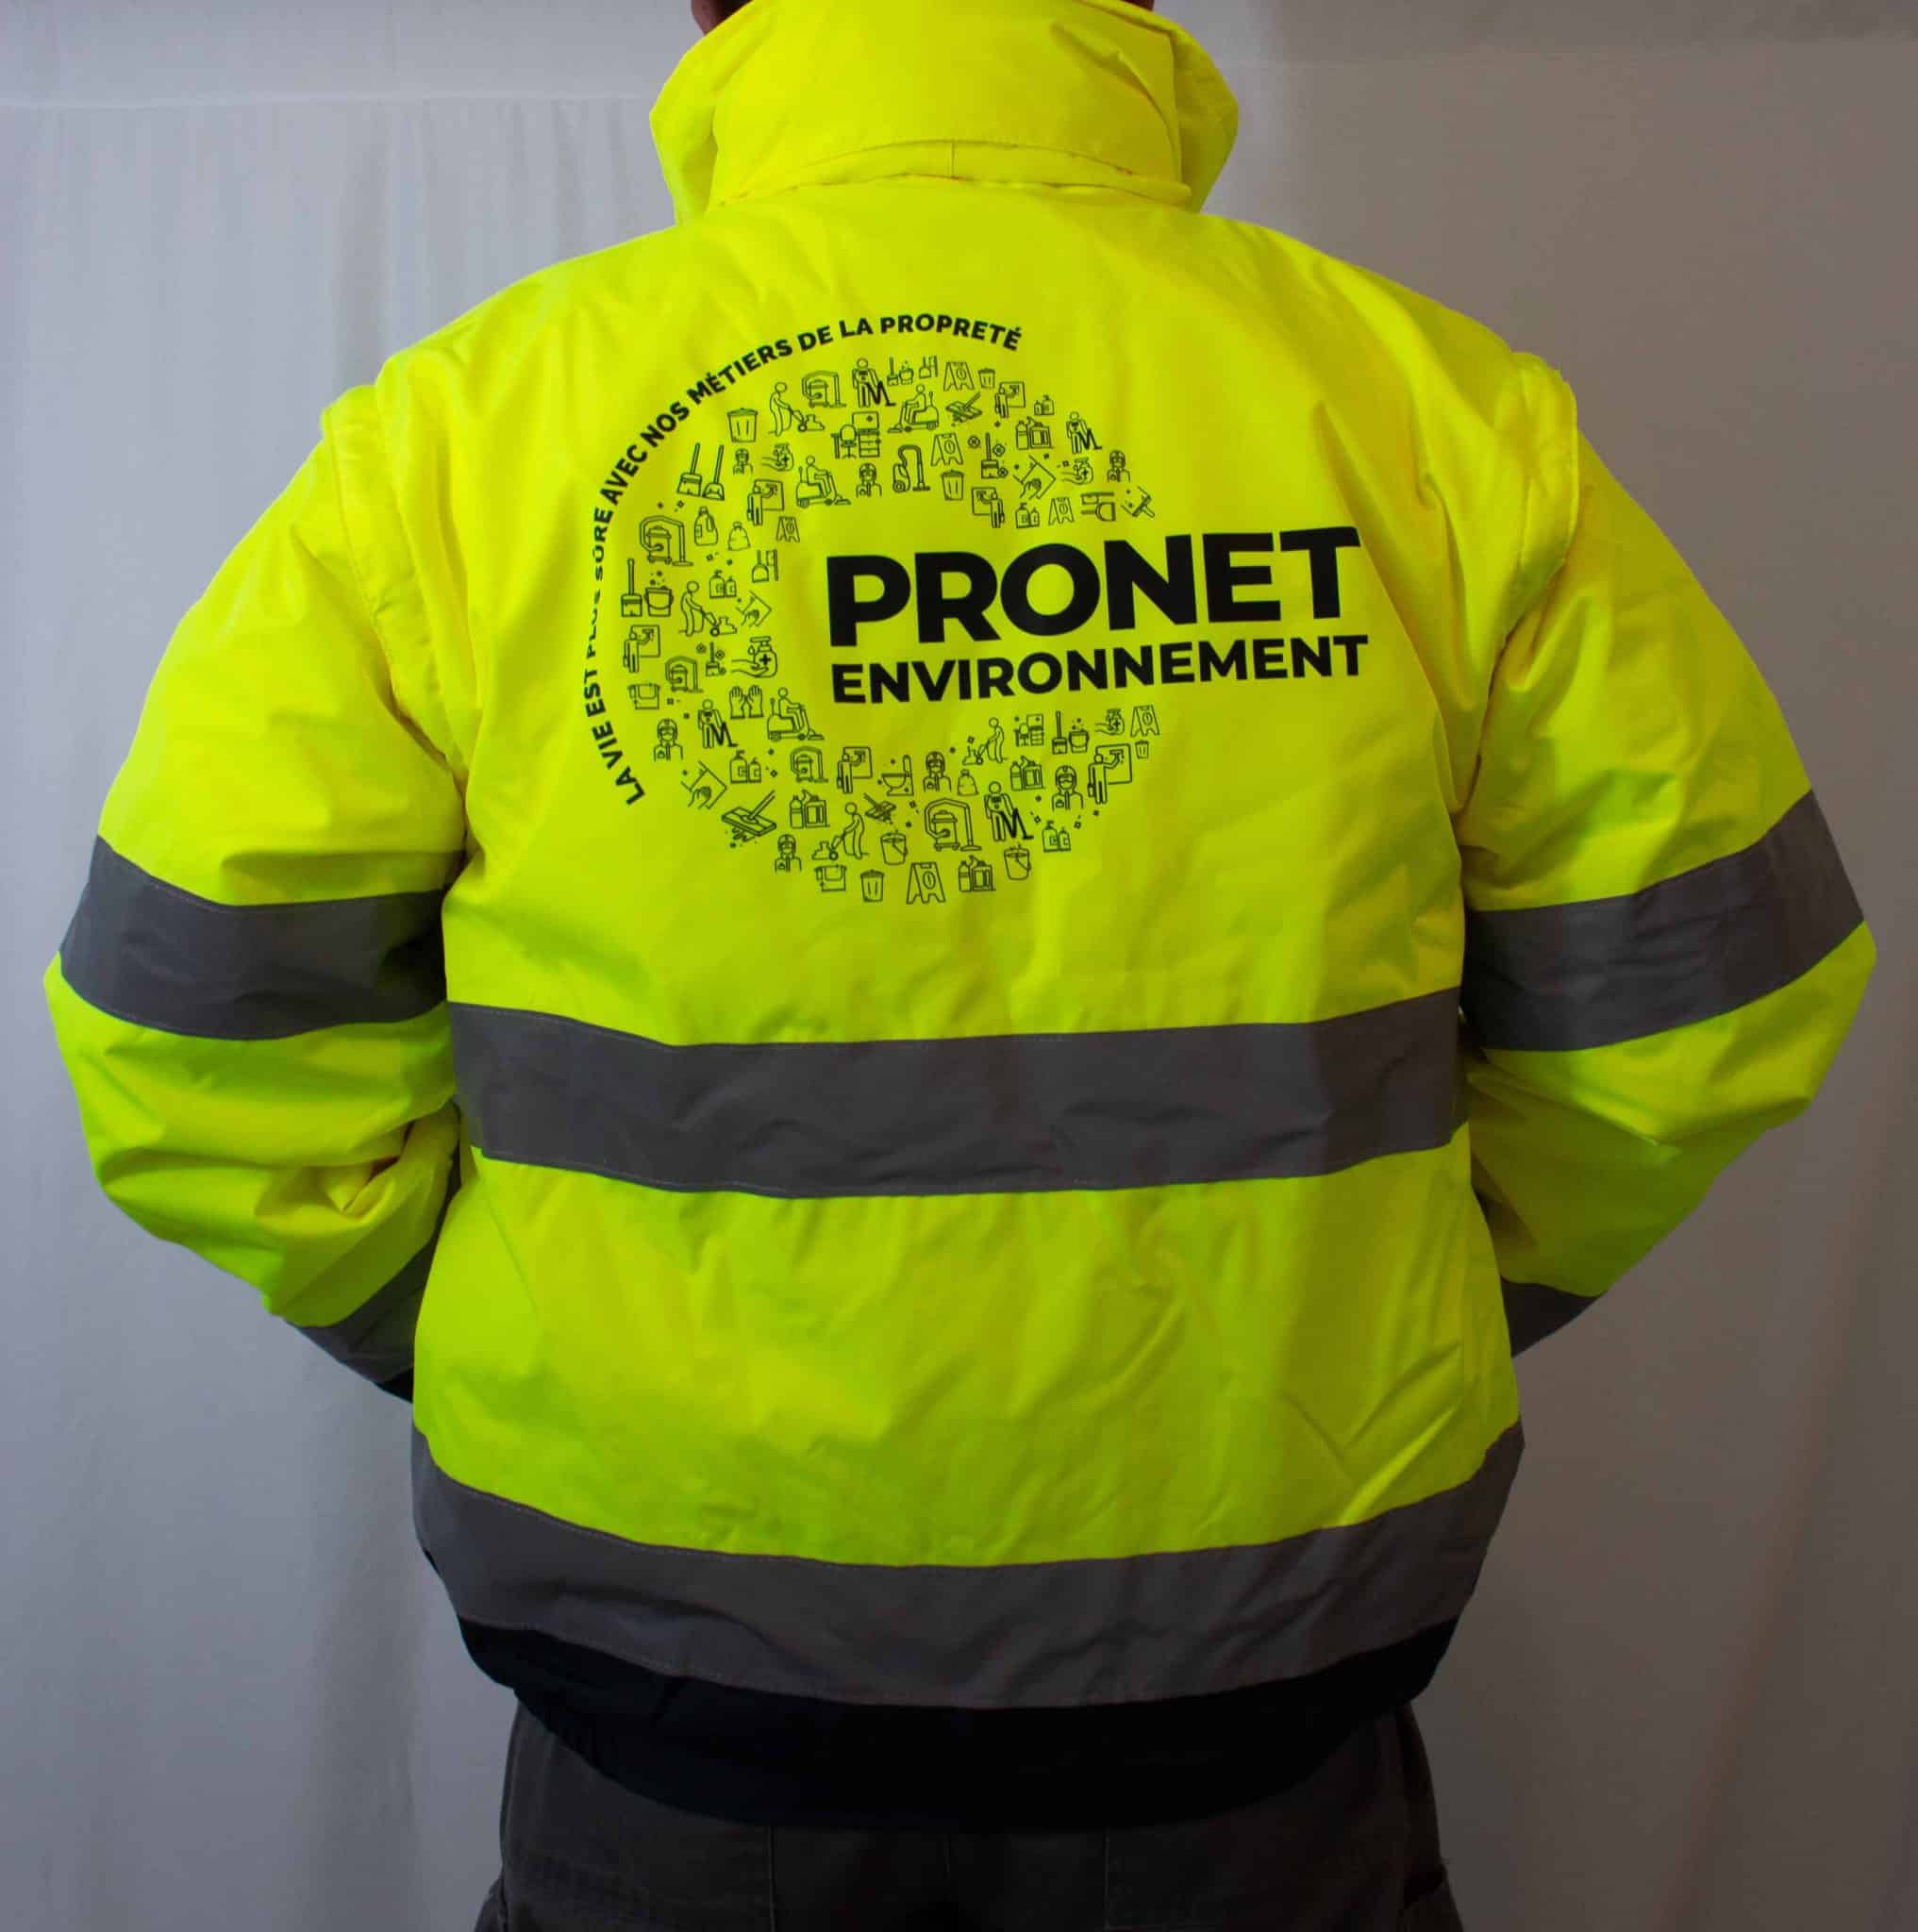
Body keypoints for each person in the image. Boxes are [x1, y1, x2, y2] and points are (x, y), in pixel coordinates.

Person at [40, 1, 1876, 1928]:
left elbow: (193, 1025)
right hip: (1262, 1647)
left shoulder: (462, 439)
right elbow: (1706, 997)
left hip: (677, 1654)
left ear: (711, 6)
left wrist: (498, 1323)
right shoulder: (1430, 416)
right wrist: (1383, 1291)